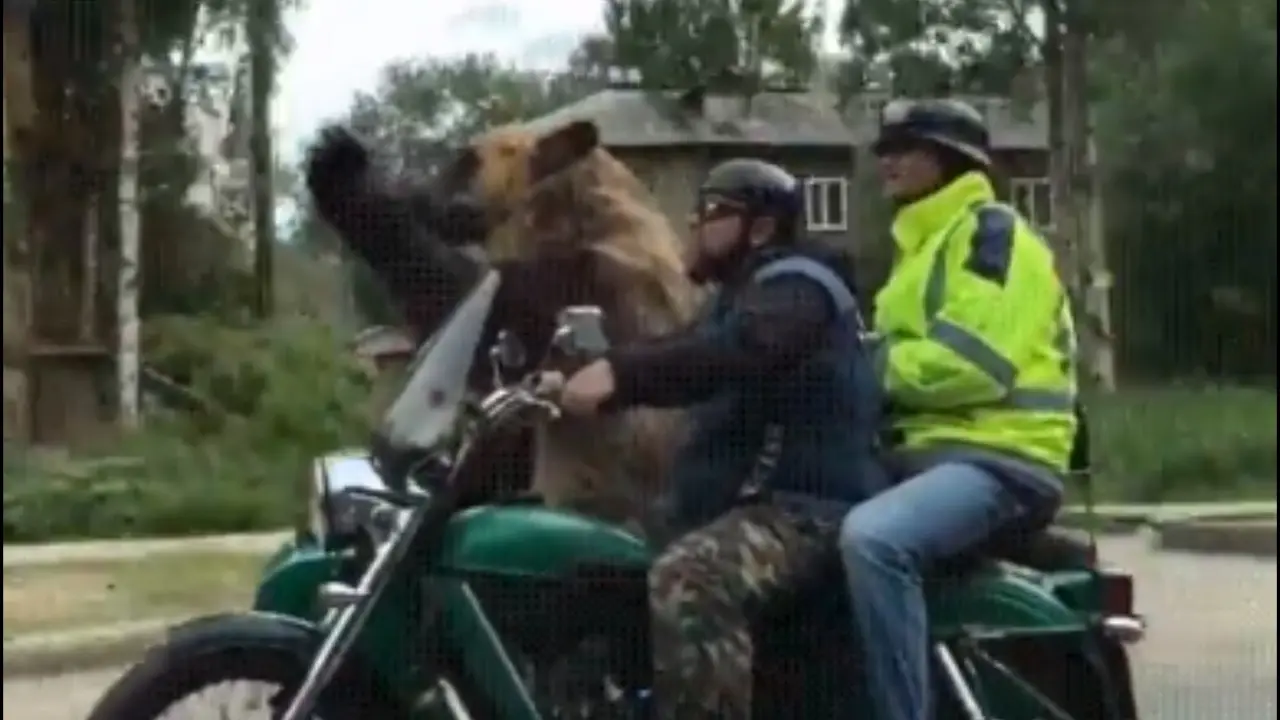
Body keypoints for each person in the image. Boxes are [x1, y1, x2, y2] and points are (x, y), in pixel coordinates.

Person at [546, 158, 890, 718]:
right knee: (588, 556)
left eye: (713, 211)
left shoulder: (801, 286)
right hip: (739, 507)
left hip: (803, 509)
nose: (695, 223)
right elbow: (676, 352)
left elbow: (742, 351)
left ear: (760, 227)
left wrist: (621, 376)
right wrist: (578, 377)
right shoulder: (735, 300)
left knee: (694, 579)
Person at [838, 98, 1078, 720]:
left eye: (904, 149)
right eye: (884, 149)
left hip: (1000, 458)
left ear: (949, 159)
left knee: (874, 540)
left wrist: (863, 368)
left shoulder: (988, 234)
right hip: (927, 457)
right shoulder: (919, 249)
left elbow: (974, 360)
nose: (886, 161)